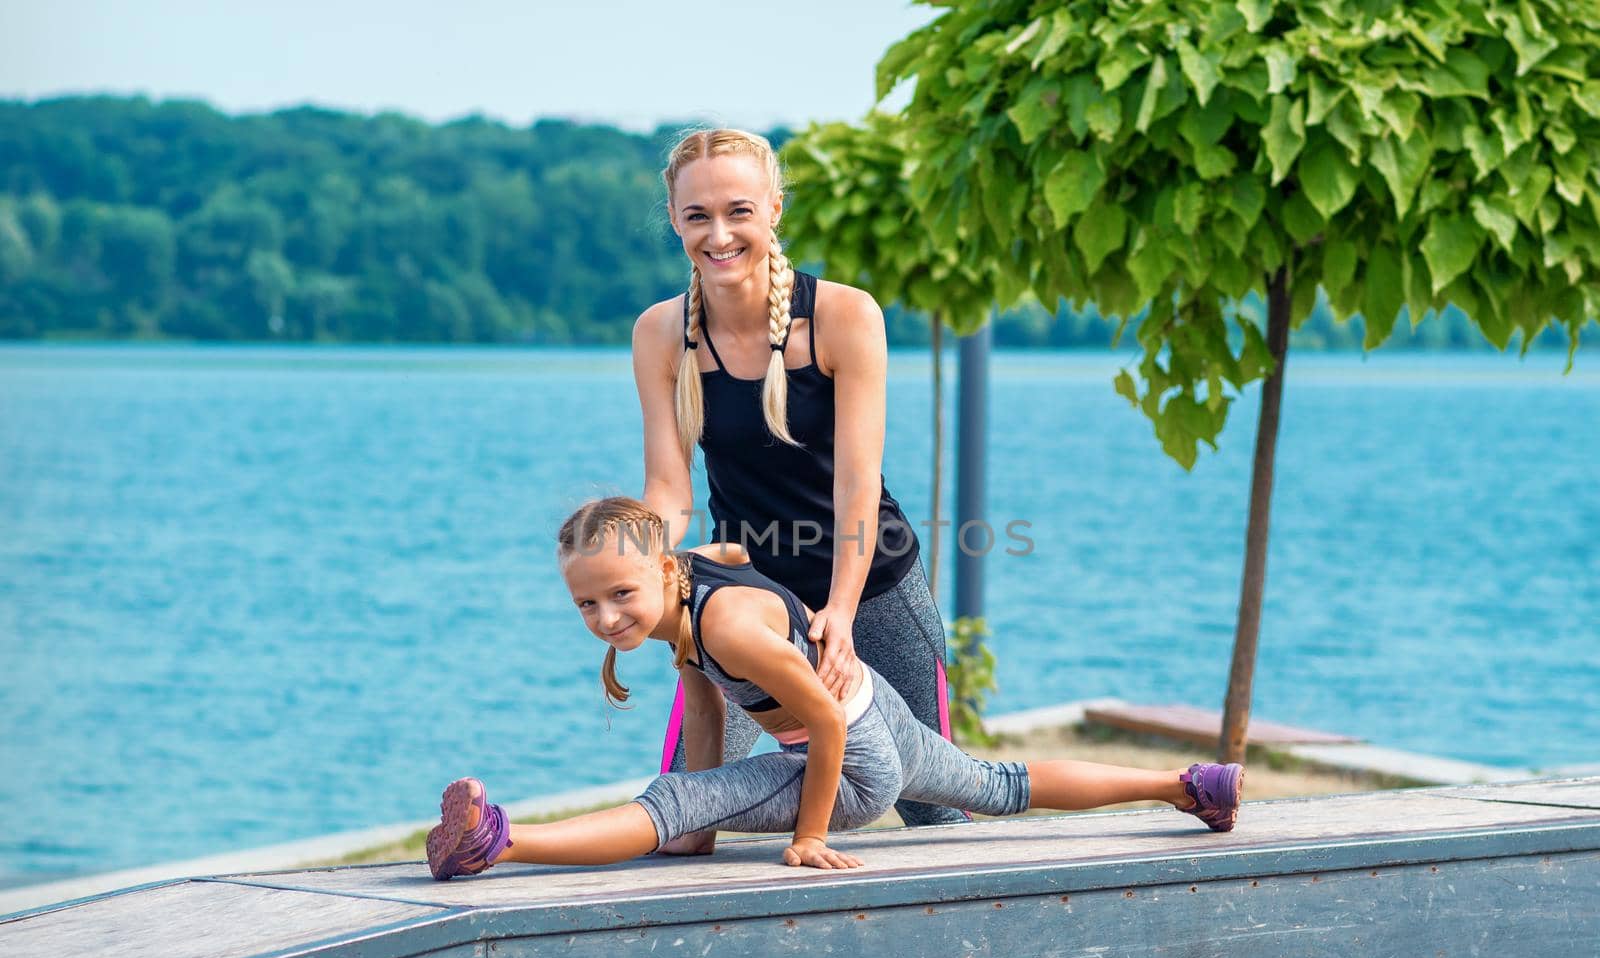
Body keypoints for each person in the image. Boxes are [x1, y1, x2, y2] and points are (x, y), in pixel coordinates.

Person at [424, 498, 1243, 880]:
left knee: (670, 804)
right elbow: (736, 576)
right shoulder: (701, 584)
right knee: (1000, 783)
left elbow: (815, 714)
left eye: (621, 595)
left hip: (847, 756)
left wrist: (807, 833)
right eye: (586, 603)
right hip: (871, 707)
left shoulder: (725, 629)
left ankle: (498, 839)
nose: (605, 616)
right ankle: (1187, 787)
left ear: (667, 570)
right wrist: (702, 813)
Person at [631, 127, 968, 832]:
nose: (718, 233)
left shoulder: (846, 316)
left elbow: (857, 484)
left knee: (935, 808)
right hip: (745, 598)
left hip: (870, 585)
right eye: (698, 216)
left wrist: (841, 613)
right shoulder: (662, 334)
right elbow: (670, 490)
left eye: (739, 210)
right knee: (687, 813)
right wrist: (638, 576)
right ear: (675, 221)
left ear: (775, 209)